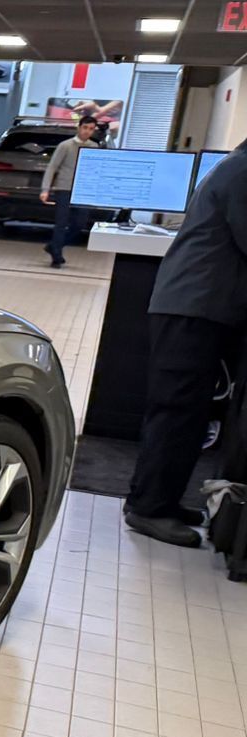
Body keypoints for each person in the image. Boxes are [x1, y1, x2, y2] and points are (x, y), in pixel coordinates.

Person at [124, 140, 247, 546]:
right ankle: (147, 509)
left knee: (190, 413)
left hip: (201, 307)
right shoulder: (242, 173)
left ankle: (162, 500)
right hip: (193, 308)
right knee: (176, 410)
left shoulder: (234, 166)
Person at [39, 114, 103, 267]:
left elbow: (96, 170)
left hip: (83, 191)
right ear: (79, 127)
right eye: (85, 128)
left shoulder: (94, 147)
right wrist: (45, 189)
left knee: (79, 223)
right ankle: (56, 256)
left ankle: (54, 246)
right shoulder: (65, 146)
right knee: (61, 223)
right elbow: (52, 167)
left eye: (91, 129)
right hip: (64, 188)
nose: (87, 131)